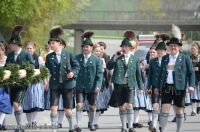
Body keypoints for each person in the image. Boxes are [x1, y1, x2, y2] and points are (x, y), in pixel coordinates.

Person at [155, 37, 195, 132]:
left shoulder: (185, 58)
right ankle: (163, 130)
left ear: (179, 47)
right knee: (164, 109)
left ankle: (179, 130)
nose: (173, 47)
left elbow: (191, 72)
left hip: (179, 87)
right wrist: (157, 86)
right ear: (168, 47)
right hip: (166, 87)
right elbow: (160, 73)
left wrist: (191, 85)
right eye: (171, 45)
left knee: (179, 110)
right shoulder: (165, 58)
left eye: (175, 46)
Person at [107, 30, 143, 132]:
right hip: (119, 84)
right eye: (122, 46)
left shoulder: (135, 59)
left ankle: (130, 126)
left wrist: (140, 87)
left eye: (126, 46)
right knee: (122, 106)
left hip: (130, 83)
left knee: (130, 105)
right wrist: (114, 58)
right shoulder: (118, 57)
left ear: (129, 47)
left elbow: (138, 74)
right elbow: (109, 66)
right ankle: (123, 127)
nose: (124, 48)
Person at [45, 26, 79, 132]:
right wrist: (46, 82)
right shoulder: (50, 56)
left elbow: (77, 66)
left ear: (59, 43)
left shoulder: (68, 54)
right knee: (53, 107)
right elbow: (47, 71)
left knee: (67, 110)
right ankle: (54, 129)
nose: (51, 45)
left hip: (67, 84)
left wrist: (73, 73)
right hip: (54, 84)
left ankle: (71, 126)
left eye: (53, 43)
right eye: (50, 44)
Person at [6, 25, 35, 132]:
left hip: (22, 83)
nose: (10, 46)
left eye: (11, 44)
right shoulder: (9, 55)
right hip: (12, 83)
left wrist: (22, 71)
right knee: (14, 104)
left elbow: (31, 66)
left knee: (16, 103)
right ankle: (19, 125)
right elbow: (6, 67)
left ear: (16, 44)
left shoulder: (26, 54)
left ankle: (20, 126)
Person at [74, 31, 103, 132]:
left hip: (92, 86)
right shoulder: (77, 58)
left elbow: (100, 74)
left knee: (92, 105)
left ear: (91, 48)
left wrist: (98, 86)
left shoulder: (97, 59)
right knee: (79, 105)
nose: (85, 49)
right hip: (80, 85)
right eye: (84, 47)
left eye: (87, 47)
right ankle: (77, 125)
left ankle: (92, 124)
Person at [22, 40, 44, 127]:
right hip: (26, 82)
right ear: (25, 49)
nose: (29, 50)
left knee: (35, 101)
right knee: (27, 102)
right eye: (27, 48)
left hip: (36, 83)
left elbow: (43, 70)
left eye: (31, 48)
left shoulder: (38, 58)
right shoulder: (23, 58)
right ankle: (29, 121)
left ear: (34, 49)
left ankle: (33, 121)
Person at [147, 42, 166, 132]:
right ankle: (154, 125)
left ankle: (162, 126)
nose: (159, 52)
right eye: (158, 50)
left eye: (161, 50)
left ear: (165, 51)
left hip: (166, 86)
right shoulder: (152, 61)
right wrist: (148, 87)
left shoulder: (168, 60)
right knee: (155, 106)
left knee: (163, 107)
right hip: (155, 86)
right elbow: (150, 75)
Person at [142, 46, 158, 126]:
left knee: (157, 100)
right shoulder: (146, 60)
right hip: (148, 82)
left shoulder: (158, 61)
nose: (152, 53)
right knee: (149, 99)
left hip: (156, 82)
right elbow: (141, 68)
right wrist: (145, 68)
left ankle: (156, 117)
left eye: (153, 52)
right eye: (151, 52)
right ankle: (150, 119)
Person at [0, 42, 12, 130]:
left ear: (4, 50)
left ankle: (0, 123)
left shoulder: (8, 59)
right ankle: (3, 124)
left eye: (0, 50)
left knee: (4, 103)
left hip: (5, 86)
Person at [189, 42, 200, 116]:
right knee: (193, 94)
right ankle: (193, 110)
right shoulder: (189, 58)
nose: (192, 50)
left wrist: (198, 68)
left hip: (199, 77)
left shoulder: (199, 57)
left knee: (199, 93)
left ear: (198, 49)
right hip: (192, 78)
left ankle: (198, 107)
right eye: (191, 49)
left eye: (194, 48)